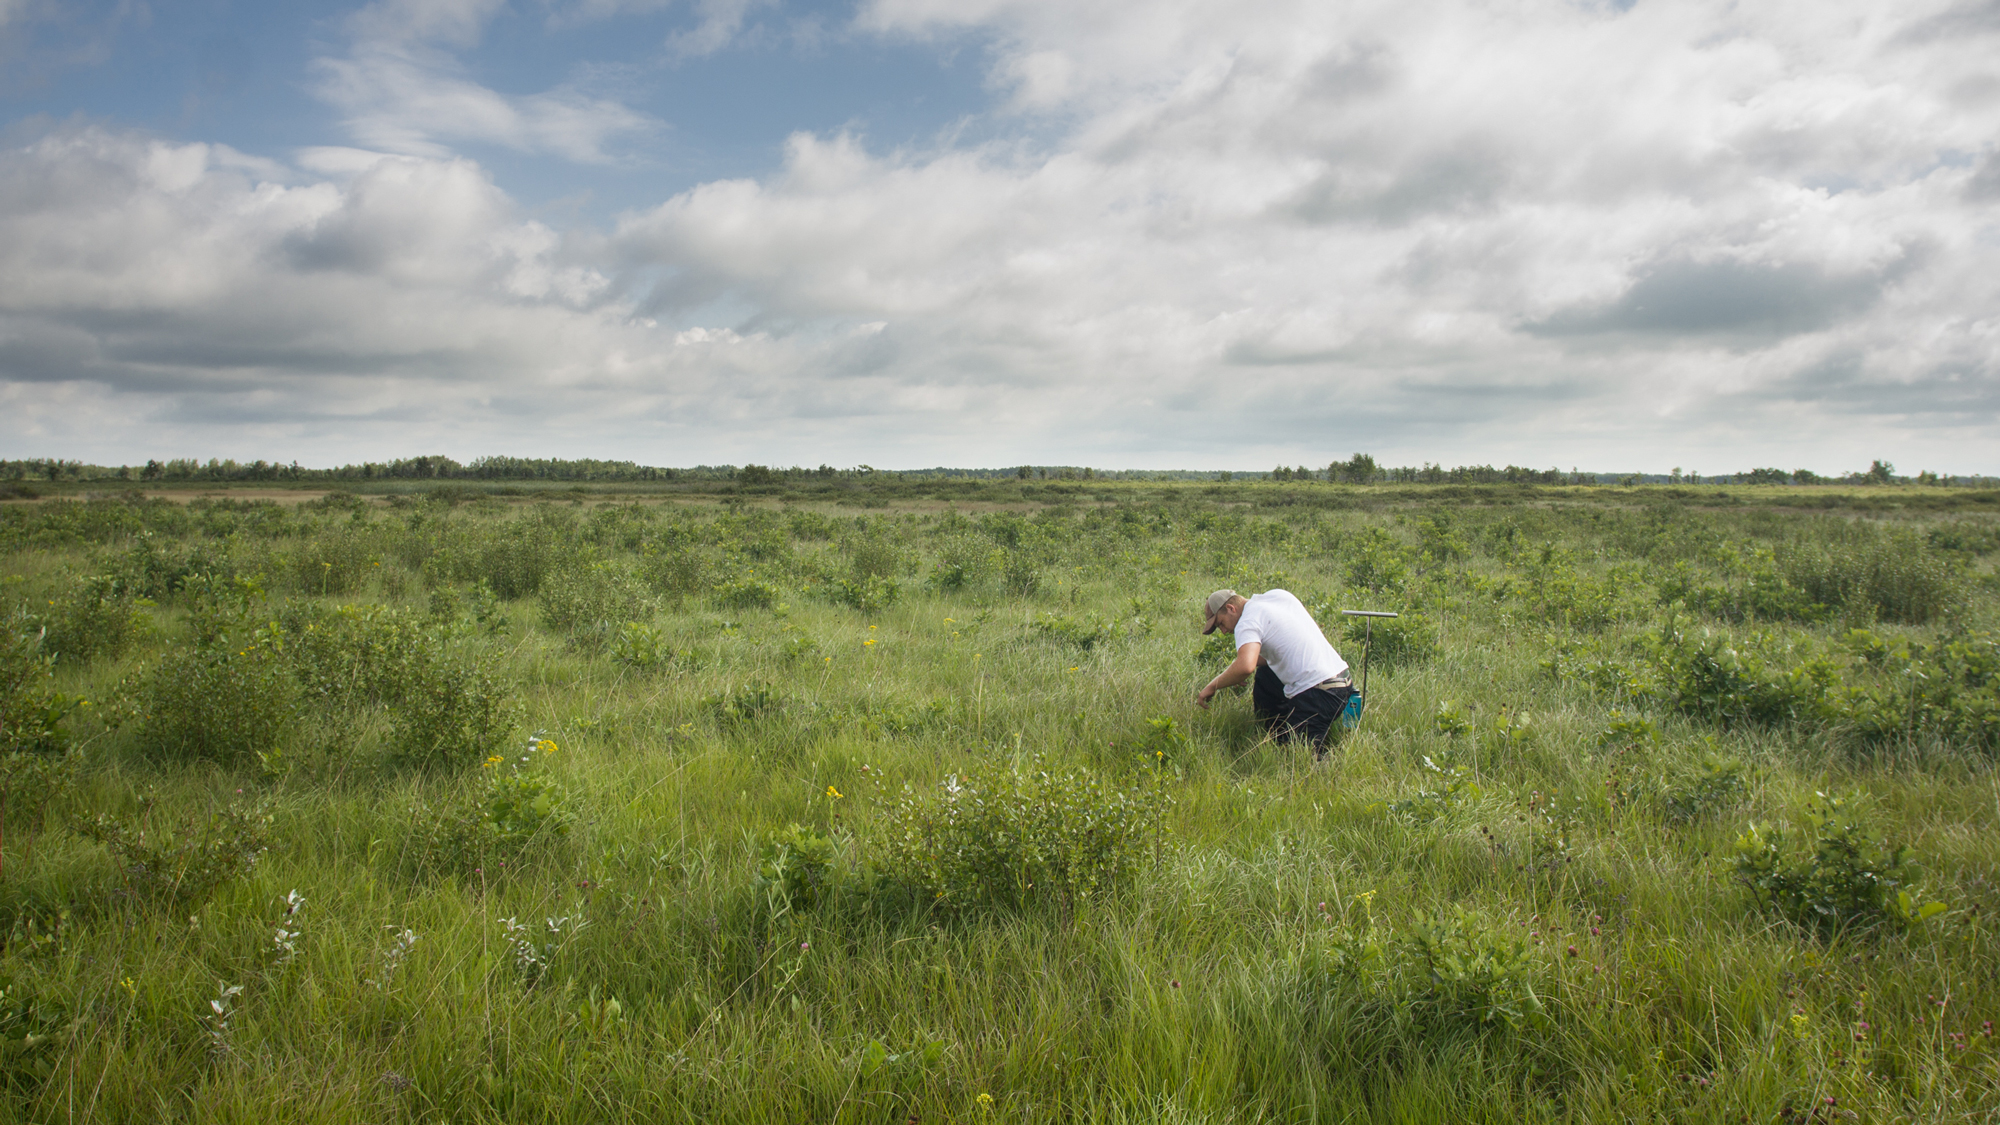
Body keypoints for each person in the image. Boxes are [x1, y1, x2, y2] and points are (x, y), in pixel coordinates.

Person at [1195, 588, 1353, 758]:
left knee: (1296, 759)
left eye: (1221, 623)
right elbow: (1260, 659)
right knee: (1266, 674)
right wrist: (1234, 674)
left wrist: (1213, 686)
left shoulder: (1247, 621)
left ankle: (1321, 759)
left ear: (1231, 608)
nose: (1224, 631)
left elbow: (1245, 667)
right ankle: (1277, 733)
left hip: (1319, 693)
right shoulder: (1277, 597)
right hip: (1343, 682)